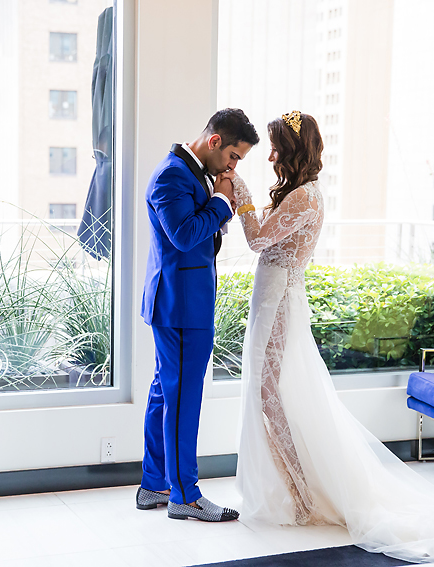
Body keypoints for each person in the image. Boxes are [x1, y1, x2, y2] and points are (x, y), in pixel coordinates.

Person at [223, 111, 434, 561]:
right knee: (274, 395)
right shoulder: (299, 193)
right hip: (273, 299)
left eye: (277, 146)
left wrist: (239, 194)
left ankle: (301, 495)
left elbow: (258, 240)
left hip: (278, 302)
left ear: (294, 151)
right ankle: (295, 490)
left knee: (269, 395)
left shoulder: (303, 197)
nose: (271, 154)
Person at [138, 108, 259, 522]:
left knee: (165, 394)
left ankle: (154, 484)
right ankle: (185, 496)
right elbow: (186, 235)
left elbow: (199, 235)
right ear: (214, 142)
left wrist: (216, 198)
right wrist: (223, 201)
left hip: (178, 303)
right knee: (182, 401)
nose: (233, 166)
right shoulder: (172, 175)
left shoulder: (187, 173)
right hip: (181, 308)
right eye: (234, 157)